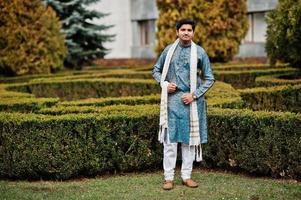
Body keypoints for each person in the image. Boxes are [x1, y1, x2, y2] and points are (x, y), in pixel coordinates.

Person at [152, 19, 215, 190]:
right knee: (170, 142)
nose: (186, 32)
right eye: (183, 29)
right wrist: (165, 84)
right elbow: (156, 70)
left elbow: (210, 78)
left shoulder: (200, 52)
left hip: (191, 104)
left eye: (189, 30)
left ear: (193, 33)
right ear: (177, 32)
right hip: (171, 102)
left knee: (189, 142)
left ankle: (186, 176)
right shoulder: (168, 51)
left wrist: (194, 95)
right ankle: (168, 178)